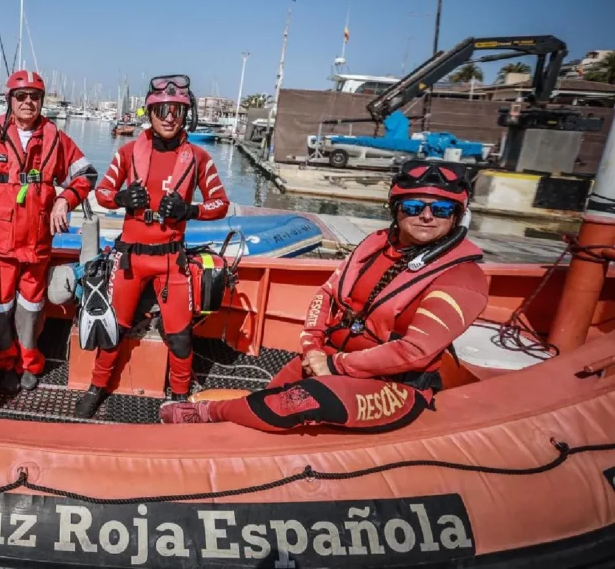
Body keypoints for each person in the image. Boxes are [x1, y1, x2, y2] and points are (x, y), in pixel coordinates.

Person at [160, 160, 488, 431]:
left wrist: (335, 364)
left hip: (396, 386)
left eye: (442, 209)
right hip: (329, 358)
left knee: (302, 400)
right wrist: (312, 345)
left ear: (457, 215)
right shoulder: (375, 244)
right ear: (396, 208)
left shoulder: (463, 277)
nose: (427, 216)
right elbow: (328, 293)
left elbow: (415, 352)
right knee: (273, 395)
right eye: (415, 206)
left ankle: (207, 413)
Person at [75, 75, 228, 418]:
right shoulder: (128, 152)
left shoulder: (199, 157)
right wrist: (121, 199)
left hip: (172, 262)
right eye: (162, 109)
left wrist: (191, 210)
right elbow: (101, 194)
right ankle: (97, 386)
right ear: (151, 112)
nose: (169, 116)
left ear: (185, 114)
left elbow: (221, 203)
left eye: (176, 110)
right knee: (112, 329)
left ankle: (179, 397)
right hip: (130, 259)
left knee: (180, 337)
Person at [0, 70, 97, 391]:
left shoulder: (56, 139)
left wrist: (64, 199)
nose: (28, 103)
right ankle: (3, 363)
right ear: (9, 100)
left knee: (31, 305)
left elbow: (88, 175)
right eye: (21, 96)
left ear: (41, 101)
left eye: (34, 97)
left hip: (37, 243)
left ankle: (28, 362)